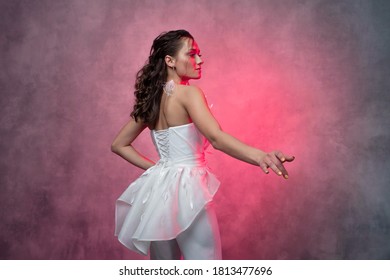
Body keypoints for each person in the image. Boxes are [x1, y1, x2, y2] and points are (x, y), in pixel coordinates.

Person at [111, 29, 294, 260]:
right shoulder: (189, 94)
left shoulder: (152, 100)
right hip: (189, 190)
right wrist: (260, 156)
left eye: (199, 54)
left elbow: (119, 145)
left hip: (157, 191)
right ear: (170, 61)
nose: (200, 59)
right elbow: (216, 138)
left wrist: (158, 170)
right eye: (192, 54)